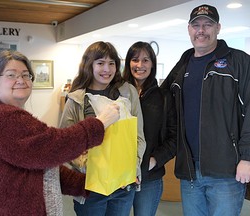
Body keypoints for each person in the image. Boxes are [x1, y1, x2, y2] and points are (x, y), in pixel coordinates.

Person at [0, 50, 120, 216]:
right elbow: (53, 146)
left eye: (25, 75)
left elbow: (42, 163)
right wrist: (99, 123)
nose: (21, 80)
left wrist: (85, 184)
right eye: (11, 75)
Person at [161, 4, 250, 216]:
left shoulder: (239, 61)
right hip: (189, 171)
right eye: (196, 25)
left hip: (226, 171)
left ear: (218, 28)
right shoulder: (184, 63)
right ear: (189, 29)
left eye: (207, 25)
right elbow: (161, 101)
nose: (201, 30)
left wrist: (247, 157)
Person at [59, 41, 146, 216]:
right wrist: (88, 168)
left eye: (111, 63)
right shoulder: (76, 100)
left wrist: (132, 169)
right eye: (100, 63)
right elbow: (65, 142)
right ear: (89, 65)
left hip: (123, 186)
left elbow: (138, 136)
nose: (106, 69)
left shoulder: (127, 92)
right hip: (91, 187)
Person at [122, 41, 176, 216]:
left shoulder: (164, 97)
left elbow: (173, 138)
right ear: (128, 62)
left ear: (152, 63)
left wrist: (154, 160)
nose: (140, 65)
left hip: (149, 177)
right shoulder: (117, 93)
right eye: (135, 59)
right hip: (118, 174)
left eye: (145, 60)